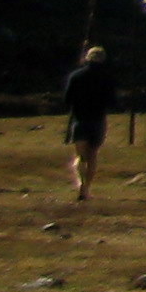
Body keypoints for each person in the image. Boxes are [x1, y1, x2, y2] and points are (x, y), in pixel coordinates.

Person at [60, 44, 116, 202]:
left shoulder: (76, 76)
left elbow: (67, 99)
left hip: (80, 120)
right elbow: (112, 102)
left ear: (87, 58)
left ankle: (81, 186)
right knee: (92, 156)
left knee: (80, 156)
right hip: (98, 121)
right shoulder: (107, 78)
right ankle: (86, 188)